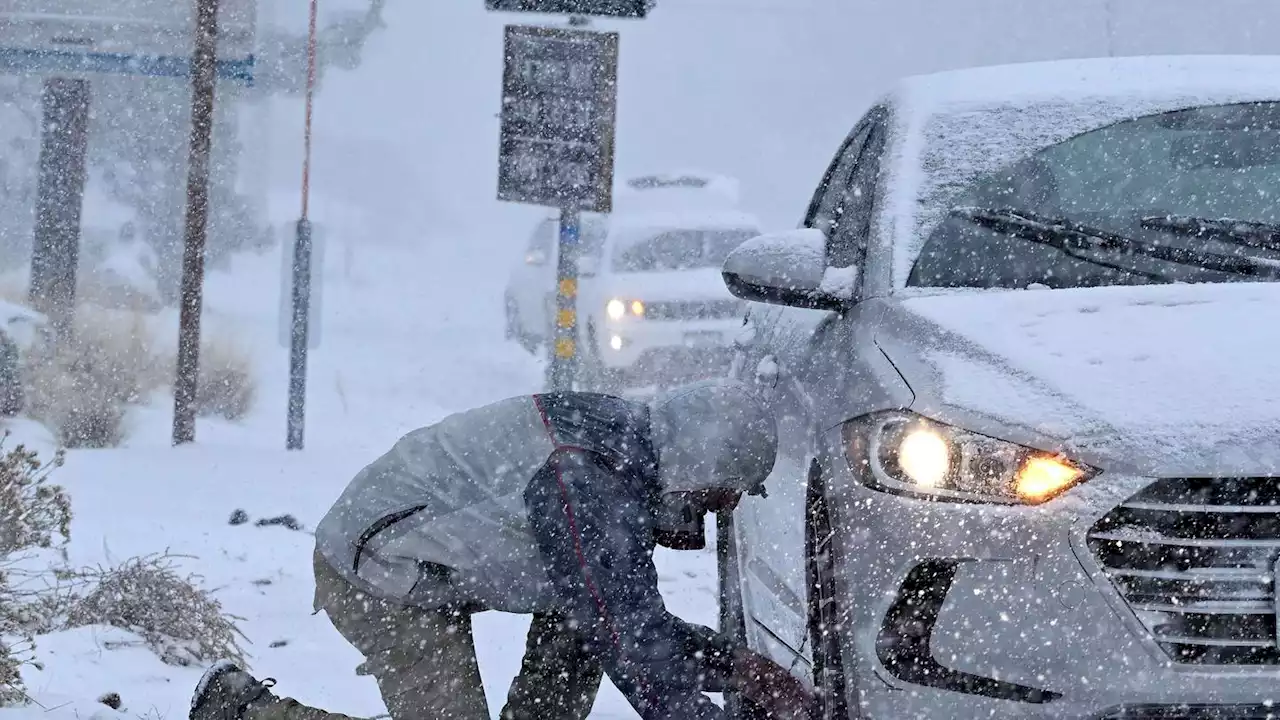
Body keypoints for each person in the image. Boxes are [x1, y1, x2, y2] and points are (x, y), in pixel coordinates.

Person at [189, 380, 812, 720]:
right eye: (713, 496)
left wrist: (734, 667)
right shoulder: (588, 482)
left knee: (580, 628)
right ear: (696, 462)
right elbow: (632, 647)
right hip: (377, 569)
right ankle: (246, 712)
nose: (709, 514)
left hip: (435, 557)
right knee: (594, 626)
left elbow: (625, 621)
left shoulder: (626, 448)